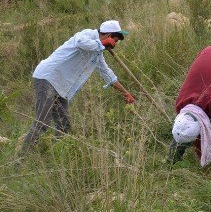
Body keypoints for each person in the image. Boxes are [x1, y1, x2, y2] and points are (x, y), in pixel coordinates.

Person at [20, 20, 136, 154]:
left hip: (62, 88)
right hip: (48, 78)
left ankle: (52, 155)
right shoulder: (87, 35)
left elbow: (108, 74)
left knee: (64, 125)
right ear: (108, 35)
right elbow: (82, 43)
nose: (115, 44)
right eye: (115, 40)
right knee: (43, 122)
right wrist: (102, 43)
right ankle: (21, 158)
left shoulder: (97, 53)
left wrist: (125, 92)